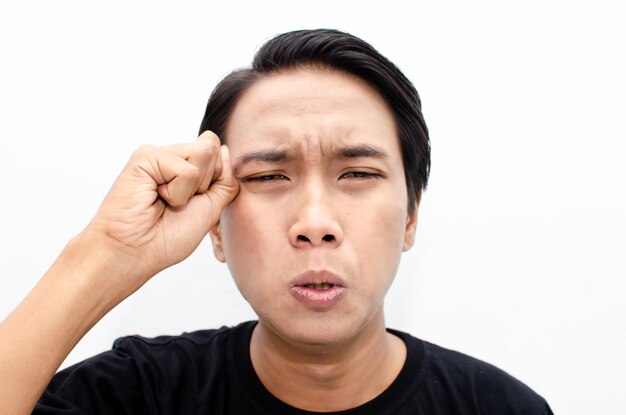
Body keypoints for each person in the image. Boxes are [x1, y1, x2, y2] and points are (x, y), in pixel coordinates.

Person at [0, 29, 553, 414]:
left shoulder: (502, 407)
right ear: (214, 224)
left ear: (411, 216)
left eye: (357, 173)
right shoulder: (135, 394)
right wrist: (105, 252)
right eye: (268, 178)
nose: (315, 223)